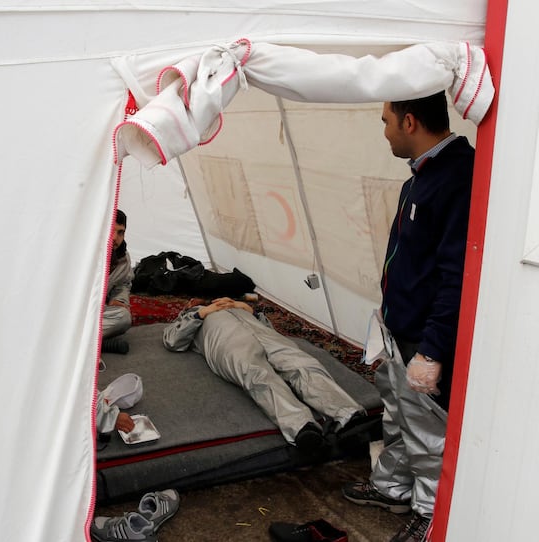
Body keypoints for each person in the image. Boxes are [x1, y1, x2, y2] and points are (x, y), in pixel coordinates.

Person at [342, 91, 475, 542]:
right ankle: (392, 487)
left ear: (410, 121)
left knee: (426, 433)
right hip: (398, 330)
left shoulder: (458, 176)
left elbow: (456, 274)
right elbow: (409, 261)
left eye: (386, 121)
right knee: (397, 420)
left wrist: (433, 349)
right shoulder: (418, 178)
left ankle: (429, 512)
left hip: (423, 338)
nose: (384, 131)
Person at [162, 297, 369, 453]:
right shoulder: (192, 316)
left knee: (302, 364)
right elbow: (173, 341)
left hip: (263, 334)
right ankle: (301, 427)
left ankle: (349, 415)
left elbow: (269, 328)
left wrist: (248, 310)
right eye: (191, 301)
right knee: (257, 374)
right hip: (227, 341)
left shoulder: (235, 305)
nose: (194, 299)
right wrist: (201, 313)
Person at [101, 209, 133, 354]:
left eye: (120, 232)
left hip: (99, 312)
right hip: (72, 311)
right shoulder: (85, 252)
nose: (115, 237)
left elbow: (124, 283)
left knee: (124, 317)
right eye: (110, 230)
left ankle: (82, 341)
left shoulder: (123, 259)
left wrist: (116, 300)